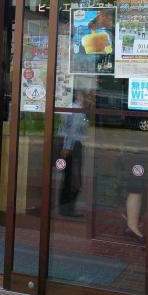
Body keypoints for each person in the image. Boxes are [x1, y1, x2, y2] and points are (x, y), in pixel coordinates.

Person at [58, 89, 89, 217]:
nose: (88, 99)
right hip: (73, 146)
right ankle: (68, 209)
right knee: (74, 179)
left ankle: (65, 208)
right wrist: (68, 147)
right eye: (86, 95)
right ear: (79, 95)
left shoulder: (72, 107)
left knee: (68, 178)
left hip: (70, 145)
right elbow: (72, 131)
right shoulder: (77, 110)